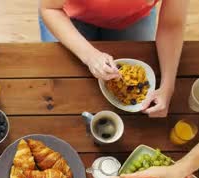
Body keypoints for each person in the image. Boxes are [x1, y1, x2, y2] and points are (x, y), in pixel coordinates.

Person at [39, 0, 189, 117]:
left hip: (132, 17)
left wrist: (168, 86)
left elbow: (172, 24)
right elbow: (49, 8)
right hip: (68, 14)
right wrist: (90, 56)